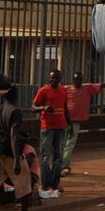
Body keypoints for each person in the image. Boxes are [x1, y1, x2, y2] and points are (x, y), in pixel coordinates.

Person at [61, 72, 105, 177]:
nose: (78, 82)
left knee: (69, 144)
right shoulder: (66, 89)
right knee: (63, 144)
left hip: (76, 121)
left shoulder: (87, 88)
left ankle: (63, 166)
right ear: (73, 80)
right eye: (76, 80)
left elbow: (102, 85)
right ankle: (65, 165)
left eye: (80, 80)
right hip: (64, 120)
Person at [0, 87, 35, 211]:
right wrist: (17, 160)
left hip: (1, 150)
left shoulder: (1, 109)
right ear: (16, 96)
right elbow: (13, 135)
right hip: (12, 152)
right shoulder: (15, 111)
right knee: (25, 184)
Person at [31, 69, 71, 199]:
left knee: (59, 157)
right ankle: (46, 184)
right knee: (45, 157)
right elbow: (33, 108)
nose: (54, 80)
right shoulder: (43, 91)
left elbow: (65, 109)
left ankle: (55, 184)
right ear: (49, 79)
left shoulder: (63, 91)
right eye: (52, 78)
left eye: (56, 78)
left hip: (61, 128)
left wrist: (69, 125)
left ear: (60, 79)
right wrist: (43, 108)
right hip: (47, 128)